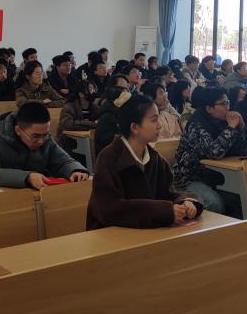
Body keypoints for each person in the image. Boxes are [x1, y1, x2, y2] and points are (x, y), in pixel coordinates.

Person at [87, 94, 202, 229]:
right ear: (135, 127)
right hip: (108, 234)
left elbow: (167, 194)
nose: (159, 125)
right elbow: (110, 209)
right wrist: (163, 211)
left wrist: (185, 203)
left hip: (143, 231)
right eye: (154, 120)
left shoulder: (155, 159)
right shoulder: (108, 158)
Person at [173, 87, 247, 214]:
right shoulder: (196, 124)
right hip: (190, 179)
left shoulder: (223, 121)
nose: (228, 107)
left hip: (218, 175)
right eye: (223, 104)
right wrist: (231, 128)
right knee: (214, 203)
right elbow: (214, 153)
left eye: (228, 103)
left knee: (243, 197)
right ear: (209, 108)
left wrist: (241, 126)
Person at [0, 101, 88, 189]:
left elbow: (64, 161)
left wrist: (76, 170)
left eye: (45, 134)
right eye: (35, 136)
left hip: (36, 197)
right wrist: (27, 177)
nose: (41, 141)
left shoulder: (46, 140)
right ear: (18, 130)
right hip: (2, 199)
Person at [94, 87, 131, 156]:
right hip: (108, 154)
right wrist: (117, 136)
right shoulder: (107, 115)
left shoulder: (122, 113)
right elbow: (101, 138)